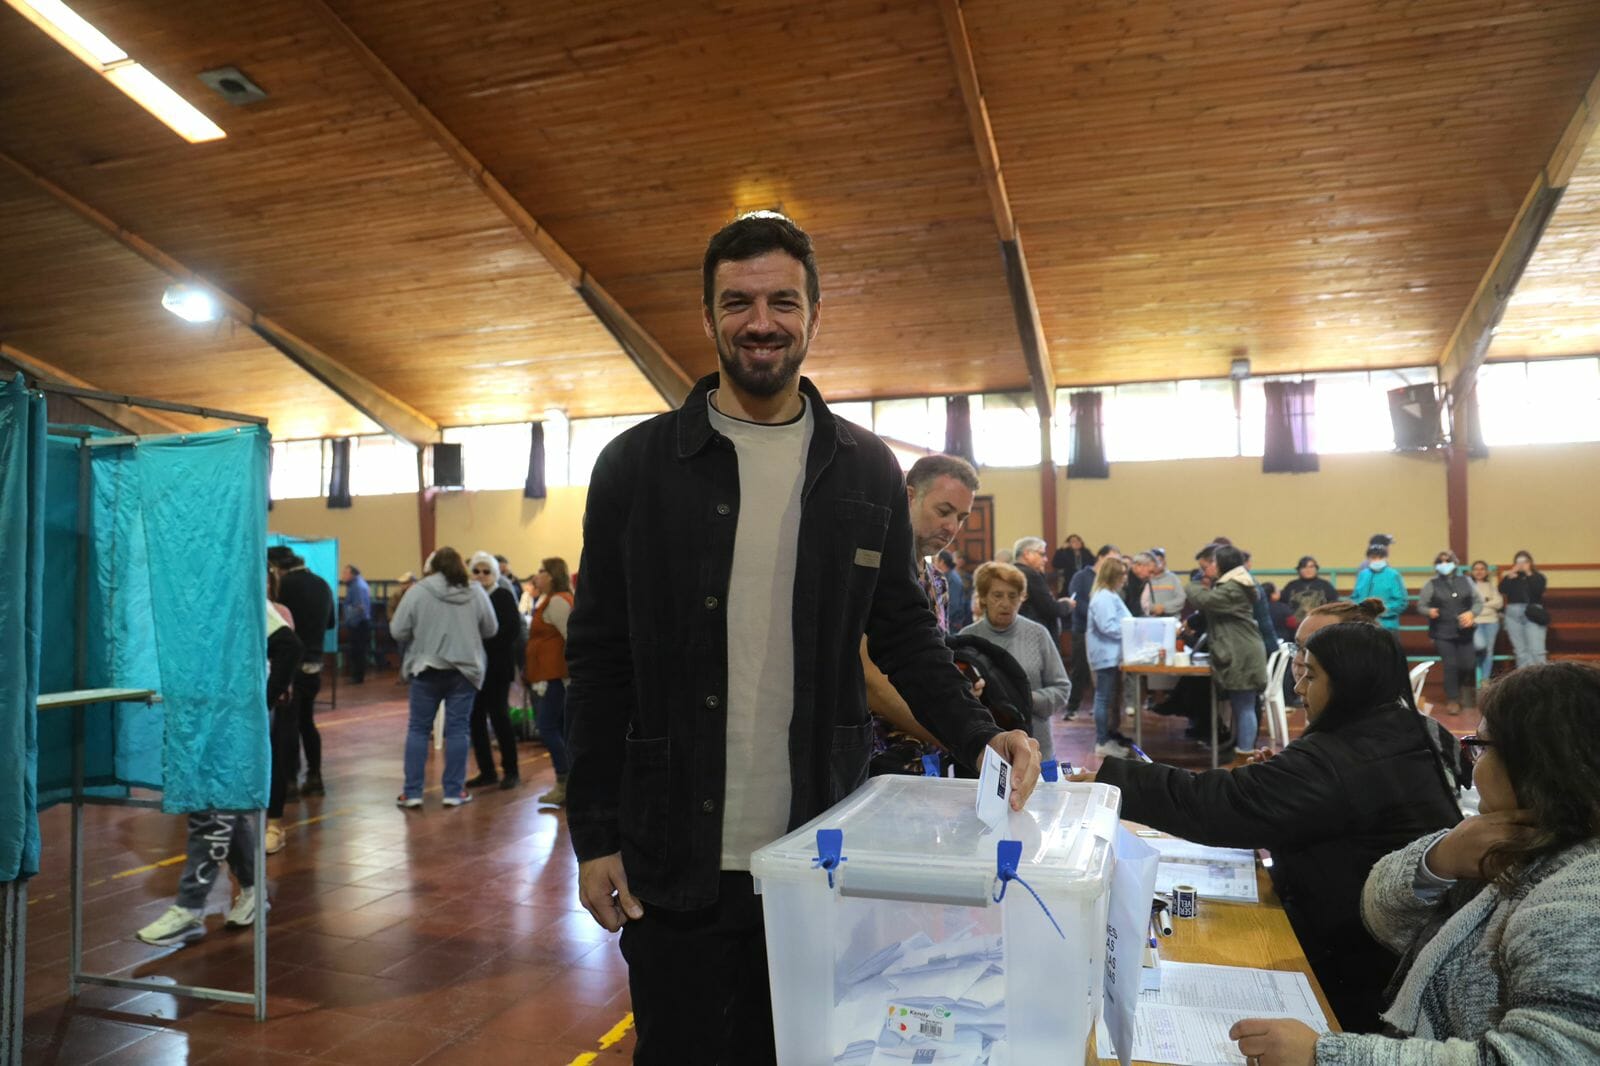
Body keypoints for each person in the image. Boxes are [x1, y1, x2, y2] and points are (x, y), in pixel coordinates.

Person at [564, 212, 1039, 1064]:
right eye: (737, 301)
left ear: (814, 315)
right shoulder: (635, 468)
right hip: (674, 857)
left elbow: (901, 630)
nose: (761, 322)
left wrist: (980, 733)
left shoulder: (862, 469)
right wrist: (593, 836)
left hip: (818, 852)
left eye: (783, 300)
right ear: (708, 316)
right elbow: (599, 660)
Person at [1086, 622, 1461, 1034]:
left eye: (1311, 674)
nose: (1298, 688)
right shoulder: (1412, 730)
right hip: (1394, 950)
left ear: (1349, 681)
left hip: (1358, 972)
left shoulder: (1339, 757)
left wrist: (1112, 778)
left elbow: (1219, 805)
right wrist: (1276, 782)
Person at [1231, 661, 1600, 1064]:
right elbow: (1382, 917)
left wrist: (1327, 1056)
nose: (1475, 764)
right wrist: (1437, 860)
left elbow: (1540, 1057)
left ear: (1537, 764)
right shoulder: (1512, 841)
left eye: (1481, 746)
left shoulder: (1580, 901)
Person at [137, 589, 298, 944]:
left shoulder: (240, 593)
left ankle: (190, 907)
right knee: (227, 805)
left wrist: (260, 702)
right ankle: (254, 890)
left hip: (234, 714)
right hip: (209, 710)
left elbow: (289, 646)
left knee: (210, 804)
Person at [861, 454, 981, 766]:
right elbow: (871, 680)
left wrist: (962, 688)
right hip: (873, 758)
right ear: (909, 497)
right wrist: (962, 735)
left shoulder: (938, 583)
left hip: (926, 758)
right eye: (944, 511)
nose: (952, 527)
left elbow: (929, 662)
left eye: (962, 518)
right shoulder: (867, 572)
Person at [389, 547, 498, 809]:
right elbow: (491, 628)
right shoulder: (476, 591)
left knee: (418, 729)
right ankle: (454, 791)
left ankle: (412, 792)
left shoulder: (419, 590)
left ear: (432, 567)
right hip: (465, 671)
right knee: (458, 730)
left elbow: (397, 630)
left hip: (426, 668)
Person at [958, 561, 1068, 763]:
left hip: (1036, 747)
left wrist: (1025, 700)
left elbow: (1062, 688)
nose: (1006, 603)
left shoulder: (1038, 634)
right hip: (985, 751)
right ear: (983, 598)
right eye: (997, 595)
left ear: (1022, 598)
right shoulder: (967, 638)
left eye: (1013, 596)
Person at [267, 548, 336, 799]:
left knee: (286, 725)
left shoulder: (284, 586)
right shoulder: (323, 585)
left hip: (289, 663)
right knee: (307, 721)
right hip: (315, 662)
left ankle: (289, 781)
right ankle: (315, 777)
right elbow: (330, 623)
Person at [1187, 544, 1269, 755]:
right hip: (1240, 650)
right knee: (1242, 705)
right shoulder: (1233, 583)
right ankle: (1241, 749)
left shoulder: (1234, 587)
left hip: (1242, 653)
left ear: (1224, 563)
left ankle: (1245, 754)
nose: (1209, 567)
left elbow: (1203, 600)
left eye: (1213, 562)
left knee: (1244, 706)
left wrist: (1194, 583)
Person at [465, 551, 522, 790]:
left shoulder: (503, 596)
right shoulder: (468, 596)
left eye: (486, 571)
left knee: (500, 717)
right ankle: (487, 770)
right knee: (475, 719)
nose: (480, 576)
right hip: (475, 668)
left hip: (497, 668)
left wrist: (484, 642)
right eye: (476, 571)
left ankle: (511, 771)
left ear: (494, 574)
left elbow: (511, 630)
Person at [262, 563, 308, 855]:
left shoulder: (274, 611)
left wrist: (270, 694)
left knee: (276, 757)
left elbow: (290, 648)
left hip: (274, 699)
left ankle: (274, 825)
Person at [526, 557, 574, 806]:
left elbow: (571, 638)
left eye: (542, 571)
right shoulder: (554, 599)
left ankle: (565, 781)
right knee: (561, 728)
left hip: (555, 677)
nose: (537, 575)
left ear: (552, 575)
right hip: (551, 674)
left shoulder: (557, 602)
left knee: (547, 726)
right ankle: (570, 782)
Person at [1417, 550, 1483, 716]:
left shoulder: (1467, 581)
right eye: (1441, 561)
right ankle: (1452, 699)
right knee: (1450, 665)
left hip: (1465, 631)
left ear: (1455, 563)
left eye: (1448, 561)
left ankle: (1460, 689)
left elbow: (1478, 602)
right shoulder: (1431, 584)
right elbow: (1421, 605)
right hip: (1442, 632)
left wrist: (1471, 613)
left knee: (1467, 664)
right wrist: (1429, 611)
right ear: (1437, 565)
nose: (1444, 564)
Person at [1084, 556, 1133, 758]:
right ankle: (1102, 741)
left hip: (1112, 654)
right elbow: (1107, 626)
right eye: (1122, 574)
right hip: (1105, 654)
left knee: (1110, 699)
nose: (1125, 578)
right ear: (1114, 575)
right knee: (1103, 699)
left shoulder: (1110, 594)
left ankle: (1109, 736)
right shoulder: (1103, 597)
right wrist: (1131, 630)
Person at [1066, 544, 1119, 717]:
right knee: (1079, 670)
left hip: (1102, 634)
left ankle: (1098, 708)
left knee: (1100, 675)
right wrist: (1095, 615)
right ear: (1100, 557)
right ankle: (1072, 707)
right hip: (1082, 629)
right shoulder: (1081, 576)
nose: (1113, 563)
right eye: (1110, 558)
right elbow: (1076, 601)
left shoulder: (1109, 580)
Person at [1497, 549, 1548, 667]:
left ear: (1530, 563)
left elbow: (1538, 590)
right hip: (1512, 614)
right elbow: (1502, 590)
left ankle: (1542, 679)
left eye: (1525, 561)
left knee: (1536, 650)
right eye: (1518, 561)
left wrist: (1529, 573)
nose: (1521, 564)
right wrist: (1509, 576)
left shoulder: (1538, 577)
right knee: (1520, 652)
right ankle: (1523, 680)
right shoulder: (1511, 577)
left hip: (1532, 613)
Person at [1014, 535, 1065, 646]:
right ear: (1027, 554)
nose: (1046, 559)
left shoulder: (1012, 571)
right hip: (1035, 637)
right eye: (1042, 554)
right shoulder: (1030, 575)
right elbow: (1049, 608)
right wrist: (1067, 605)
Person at [1352, 543, 1407, 630]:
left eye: (1380, 557)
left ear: (1385, 558)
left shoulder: (1393, 575)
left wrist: (1381, 610)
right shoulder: (1363, 575)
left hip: (1387, 626)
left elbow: (1401, 602)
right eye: (1373, 557)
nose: (1377, 560)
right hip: (1363, 626)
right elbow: (1355, 598)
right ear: (1368, 559)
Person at [1469, 559, 1503, 684]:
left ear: (1486, 571)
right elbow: (1469, 606)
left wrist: (1480, 604)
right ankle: (1471, 678)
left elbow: (1499, 603)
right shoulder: (1468, 587)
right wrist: (1487, 602)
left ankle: (1485, 680)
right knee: (1479, 645)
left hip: (1491, 622)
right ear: (1472, 572)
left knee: (1489, 651)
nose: (1479, 572)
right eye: (1476, 569)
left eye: (1482, 569)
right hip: (1475, 622)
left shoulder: (1491, 586)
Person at [340, 563, 372, 683]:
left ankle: (357, 677)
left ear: (352, 574)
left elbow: (360, 608)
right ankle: (356, 676)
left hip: (358, 624)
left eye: (345, 573)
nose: (343, 575)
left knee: (358, 651)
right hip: (359, 623)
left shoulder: (357, 587)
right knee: (357, 651)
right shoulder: (356, 585)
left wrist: (350, 619)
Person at [1143, 548, 1185, 618]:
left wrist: (1164, 607)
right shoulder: (1144, 580)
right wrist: (1152, 608)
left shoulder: (1173, 578)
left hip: (1172, 620)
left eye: (1159, 561)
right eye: (1153, 561)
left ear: (1164, 562)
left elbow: (1181, 599)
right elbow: (1140, 601)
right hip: (1149, 620)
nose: (1157, 564)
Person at [938, 550, 970, 631]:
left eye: (935, 560)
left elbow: (953, 604)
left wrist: (942, 619)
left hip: (952, 622)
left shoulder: (952, 578)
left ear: (941, 562)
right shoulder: (947, 576)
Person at [1123, 552, 1154, 617]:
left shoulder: (1141, 581)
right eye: (1150, 572)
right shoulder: (1124, 581)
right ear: (1139, 566)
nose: (1151, 576)